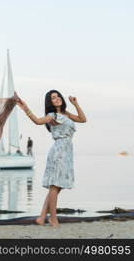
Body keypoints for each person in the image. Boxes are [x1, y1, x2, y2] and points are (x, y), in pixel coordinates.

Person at [16, 90, 87, 227]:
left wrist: (75, 103)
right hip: (59, 151)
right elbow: (37, 121)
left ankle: (42, 217)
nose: (57, 98)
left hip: (67, 152)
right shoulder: (52, 115)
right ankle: (53, 218)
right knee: (54, 186)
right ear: (50, 102)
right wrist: (25, 108)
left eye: (58, 96)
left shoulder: (65, 114)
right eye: (53, 98)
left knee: (57, 187)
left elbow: (83, 119)